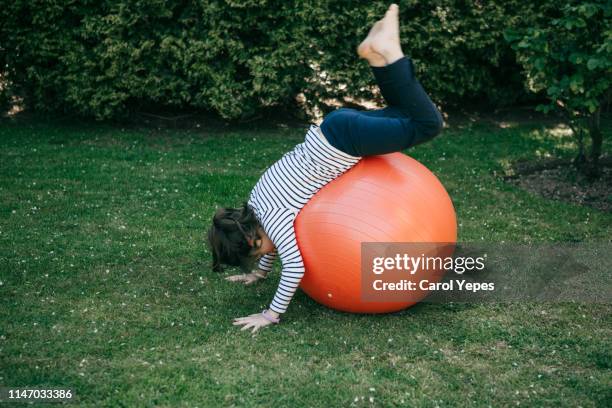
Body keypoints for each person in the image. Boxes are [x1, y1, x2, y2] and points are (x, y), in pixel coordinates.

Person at [207, 4, 443, 333]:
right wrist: (259, 272)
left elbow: (294, 267)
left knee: (428, 124)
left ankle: (388, 51)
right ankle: (377, 56)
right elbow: (271, 242)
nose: (266, 251)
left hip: (346, 141)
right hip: (334, 130)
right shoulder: (258, 204)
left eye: (258, 251)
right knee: (406, 112)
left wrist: (270, 315)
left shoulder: (271, 222)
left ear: (250, 236)